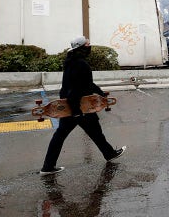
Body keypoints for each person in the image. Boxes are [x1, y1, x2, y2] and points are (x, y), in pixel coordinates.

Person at [40, 36, 126, 176]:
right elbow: (76, 88)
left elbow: (86, 84)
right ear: (81, 47)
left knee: (86, 132)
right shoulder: (80, 64)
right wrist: (76, 110)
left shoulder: (71, 62)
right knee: (91, 132)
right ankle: (48, 167)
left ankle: (48, 166)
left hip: (73, 105)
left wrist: (101, 94)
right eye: (88, 44)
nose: (90, 46)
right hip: (80, 106)